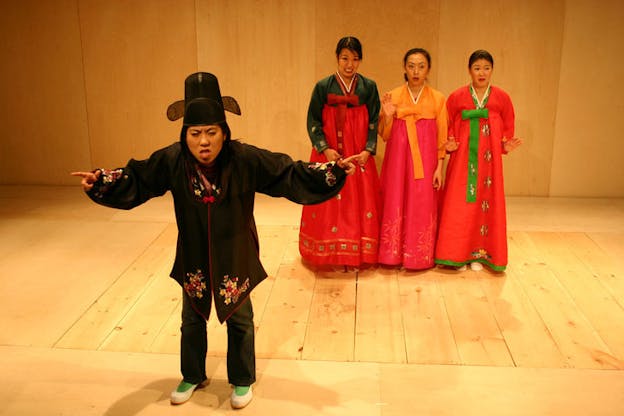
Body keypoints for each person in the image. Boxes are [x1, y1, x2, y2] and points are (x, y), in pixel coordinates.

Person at [71, 72, 357, 409]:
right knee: (191, 317)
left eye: (211, 132)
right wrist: (102, 180)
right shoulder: (172, 160)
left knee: (240, 317)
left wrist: (332, 171)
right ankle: (193, 374)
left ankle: (241, 379)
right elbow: (139, 177)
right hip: (193, 252)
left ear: (224, 132)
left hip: (235, 251)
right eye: (195, 134)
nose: (203, 142)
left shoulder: (244, 159)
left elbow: (287, 172)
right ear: (185, 135)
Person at [435, 50, 522, 272]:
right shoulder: (456, 97)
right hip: (462, 160)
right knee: (459, 203)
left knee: (485, 203)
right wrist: (450, 142)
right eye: (477, 68)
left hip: (489, 163)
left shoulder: (502, 97)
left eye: (486, 68)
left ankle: (480, 255)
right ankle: (457, 254)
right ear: (469, 70)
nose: (481, 73)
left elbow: (507, 125)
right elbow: (447, 124)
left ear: (492, 70)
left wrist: (504, 145)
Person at [298, 36, 381, 270]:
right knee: (330, 201)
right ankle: (330, 255)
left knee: (358, 201)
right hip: (331, 151)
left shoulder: (369, 87)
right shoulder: (323, 86)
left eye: (355, 59)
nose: (349, 64)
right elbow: (313, 119)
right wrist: (325, 148)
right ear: (337, 58)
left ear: (360, 61)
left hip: (358, 153)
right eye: (345, 58)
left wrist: (368, 149)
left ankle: (356, 254)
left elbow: (374, 119)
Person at [377, 48, 448, 270]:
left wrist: (439, 167)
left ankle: (419, 255)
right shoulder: (394, 96)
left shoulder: (438, 98)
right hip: (397, 162)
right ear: (404, 68)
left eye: (421, 66)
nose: (416, 71)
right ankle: (392, 254)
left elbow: (443, 135)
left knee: (422, 203)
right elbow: (385, 135)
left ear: (428, 69)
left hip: (425, 163)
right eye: (411, 66)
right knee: (395, 199)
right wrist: (387, 117)